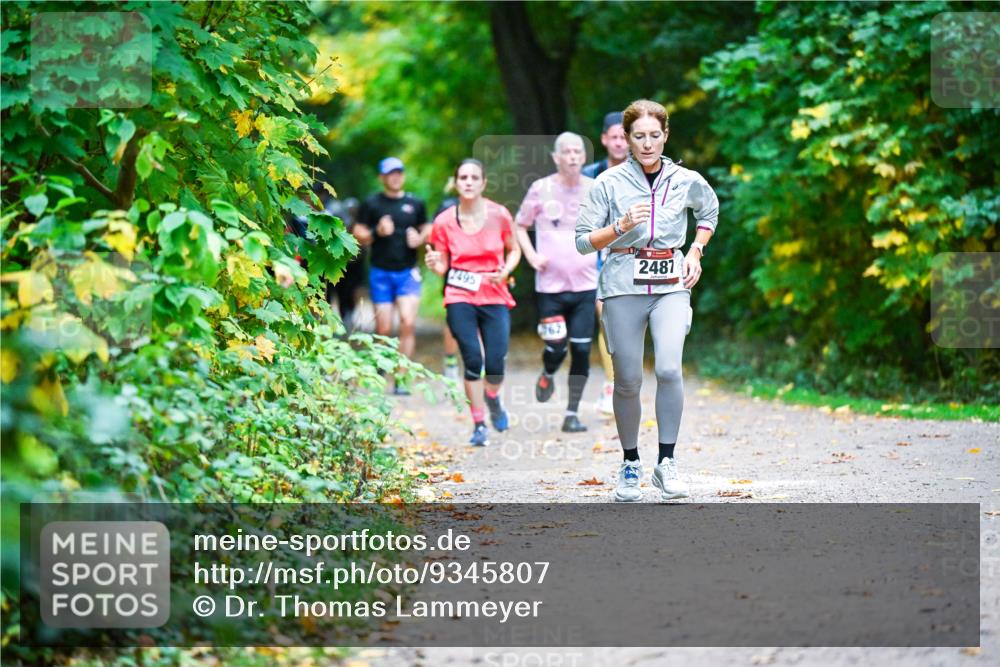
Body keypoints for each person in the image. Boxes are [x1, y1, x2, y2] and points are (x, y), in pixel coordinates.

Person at [575, 99, 719, 503]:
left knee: (670, 369)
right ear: (626, 139)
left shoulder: (686, 179)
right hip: (623, 282)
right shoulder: (608, 183)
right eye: (638, 136)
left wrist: (695, 251)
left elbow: (709, 211)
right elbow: (583, 240)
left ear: (666, 135)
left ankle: (667, 462)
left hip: (672, 281)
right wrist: (620, 226)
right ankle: (630, 463)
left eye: (655, 135)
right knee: (629, 381)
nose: (647, 143)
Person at [425, 159, 521, 446]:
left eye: (473, 177)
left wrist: (505, 270)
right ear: (455, 183)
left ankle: (493, 397)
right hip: (459, 295)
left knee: (495, 363)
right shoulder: (443, 221)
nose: (468, 182)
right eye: (462, 177)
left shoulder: (499, 214)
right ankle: (479, 423)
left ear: (483, 183)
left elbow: (514, 249)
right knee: (472, 359)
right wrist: (434, 264)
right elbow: (442, 265)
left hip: (494, 295)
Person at [515, 132, 597, 433]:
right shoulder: (541, 188)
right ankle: (548, 372)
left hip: (587, 285)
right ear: (557, 157)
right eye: (567, 152)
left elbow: (612, 228)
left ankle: (572, 413)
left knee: (582, 351)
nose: (573, 156)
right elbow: (520, 225)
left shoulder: (595, 188)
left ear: (584, 157)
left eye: (578, 151)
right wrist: (532, 255)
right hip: (550, 286)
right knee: (556, 348)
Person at [353, 157, 430, 394]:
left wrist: (420, 238)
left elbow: (427, 227)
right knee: (384, 328)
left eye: (399, 172)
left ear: (403, 176)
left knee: (408, 322)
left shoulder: (415, 203)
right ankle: (382, 367)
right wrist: (377, 231)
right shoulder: (372, 204)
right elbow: (358, 233)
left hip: (407, 273)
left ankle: (402, 378)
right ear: (382, 178)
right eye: (390, 173)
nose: (395, 177)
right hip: (381, 273)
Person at [584, 112, 630, 413]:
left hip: (636, 253)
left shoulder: (643, 171)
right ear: (604, 140)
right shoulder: (588, 175)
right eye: (613, 136)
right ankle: (613, 384)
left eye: (624, 137)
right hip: (600, 252)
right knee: (607, 312)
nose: (619, 142)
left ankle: (628, 381)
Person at [433, 178, 461, 381]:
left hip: (480, 271)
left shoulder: (486, 209)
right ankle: (451, 360)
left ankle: (479, 361)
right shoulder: (446, 207)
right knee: (454, 317)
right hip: (454, 269)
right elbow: (436, 236)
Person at [325, 196, 366, 333]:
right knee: (332, 291)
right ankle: (329, 322)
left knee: (348, 292)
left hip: (354, 266)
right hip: (336, 264)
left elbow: (363, 247)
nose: (352, 211)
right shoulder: (339, 223)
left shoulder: (361, 224)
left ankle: (347, 317)